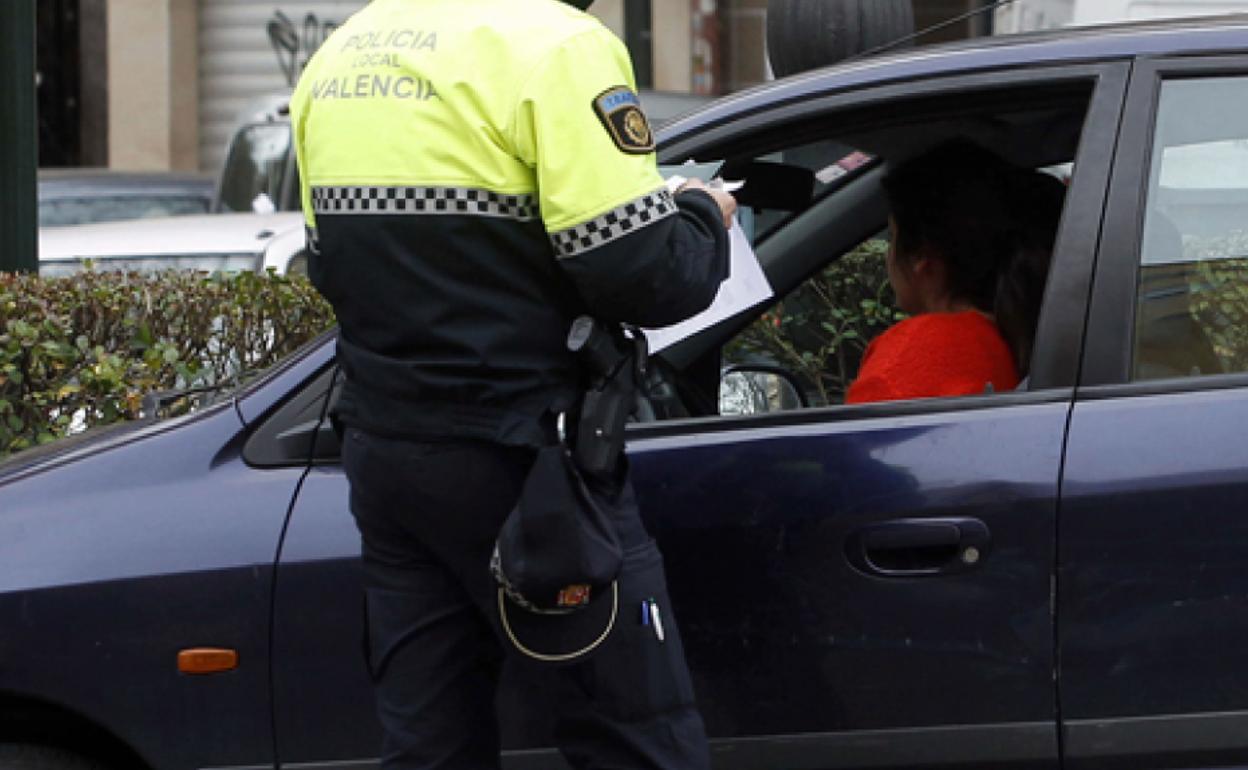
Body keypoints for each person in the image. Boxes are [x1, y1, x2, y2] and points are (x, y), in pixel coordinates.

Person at [289, 0, 736, 768]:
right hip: (529, 465)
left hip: (388, 453)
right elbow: (641, 271)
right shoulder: (559, 46)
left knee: (431, 743)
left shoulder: (342, 53)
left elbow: (325, 262)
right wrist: (698, 213)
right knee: (637, 732)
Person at [845, 142, 1062, 404]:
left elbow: (856, 445)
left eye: (893, 237)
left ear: (922, 256)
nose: (889, 254)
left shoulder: (918, 352)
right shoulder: (1024, 340)